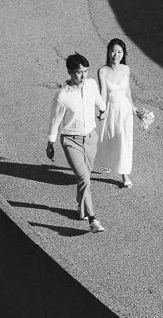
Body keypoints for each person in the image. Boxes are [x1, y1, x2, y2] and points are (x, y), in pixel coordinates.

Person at [46, 53, 107, 233]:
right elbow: (54, 120)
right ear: (70, 72)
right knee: (84, 178)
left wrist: (102, 109)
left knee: (85, 179)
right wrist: (51, 143)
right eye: (79, 72)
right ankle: (93, 219)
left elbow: (97, 98)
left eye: (86, 71)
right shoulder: (62, 95)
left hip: (90, 138)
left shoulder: (91, 84)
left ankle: (81, 211)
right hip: (71, 140)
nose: (83, 76)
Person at [94, 37, 136, 188]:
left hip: (124, 111)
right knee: (110, 139)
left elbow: (128, 91)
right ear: (108, 52)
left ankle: (125, 175)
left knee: (123, 141)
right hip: (111, 109)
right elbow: (103, 93)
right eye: (113, 51)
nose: (116, 55)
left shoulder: (126, 69)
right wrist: (102, 110)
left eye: (119, 52)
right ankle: (108, 162)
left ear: (123, 54)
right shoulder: (103, 71)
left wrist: (133, 107)